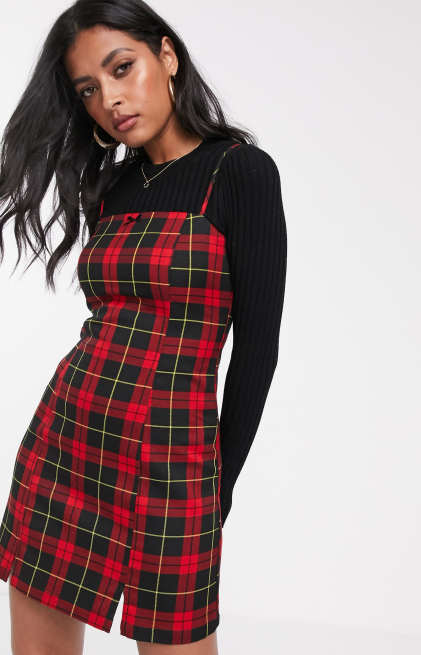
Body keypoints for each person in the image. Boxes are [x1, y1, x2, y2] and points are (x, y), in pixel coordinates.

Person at [0, 0, 287, 652]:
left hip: (174, 459)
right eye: (87, 89)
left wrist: (218, 487)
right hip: (68, 438)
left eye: (121, 68)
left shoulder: (238, 172)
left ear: (166, 54)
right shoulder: (111, 188)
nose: (110, 99)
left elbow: (258, 348)